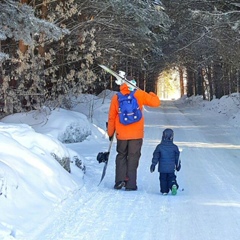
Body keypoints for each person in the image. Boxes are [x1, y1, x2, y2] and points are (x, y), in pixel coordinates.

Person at [107, 75, 160, 191]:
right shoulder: (139, 94)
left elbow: (111, 117)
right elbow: (156, 103)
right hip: (136, 135)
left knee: (121, 155)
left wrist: (110, 133)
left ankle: (119, 180)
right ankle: (130, 184)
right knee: (133, 157)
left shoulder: (116, 98)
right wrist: (151, 94)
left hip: (121, 134)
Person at [150, 128, 181, 195]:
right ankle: (173, 184)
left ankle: (164, 191)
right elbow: (177, 158)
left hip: (162, 168)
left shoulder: (159, 147)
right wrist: (178, 166)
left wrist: (153, 165)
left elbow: (156, 156)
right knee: (171, 177)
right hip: (171, 168)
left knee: (163, 179)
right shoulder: (174, 147)